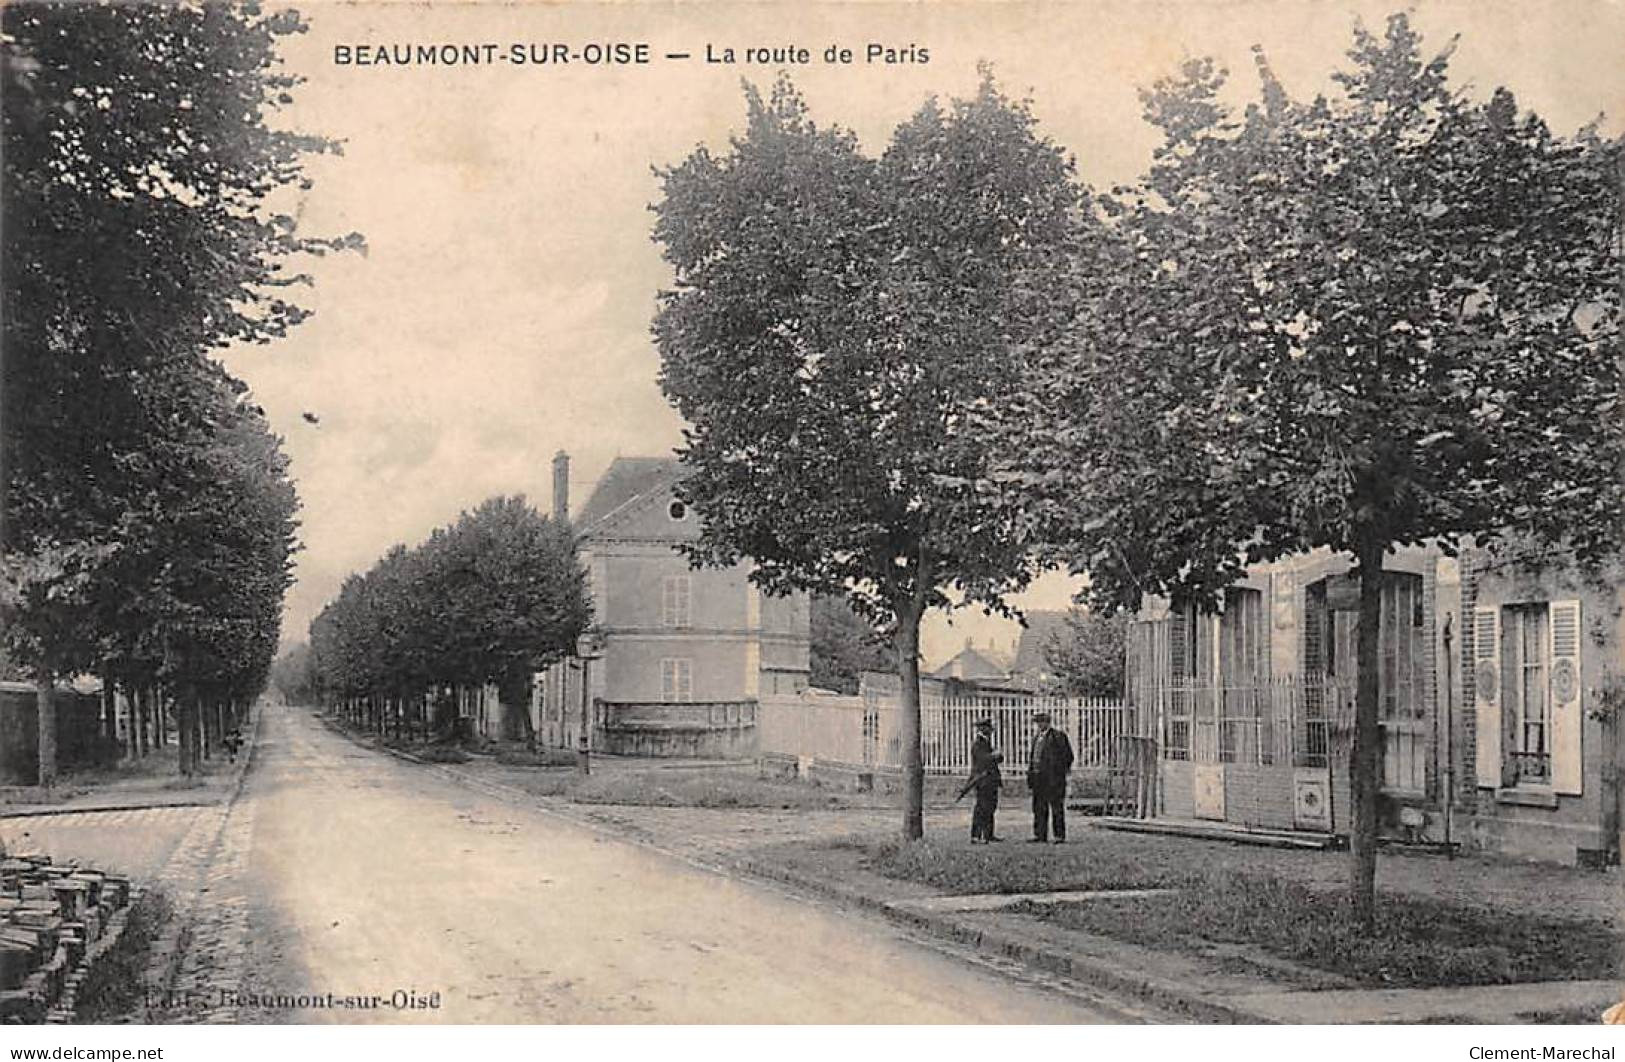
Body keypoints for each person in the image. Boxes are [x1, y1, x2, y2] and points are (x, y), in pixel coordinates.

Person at [1027, 711, 1074, 844]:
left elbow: (1068, 756)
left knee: (1056, 808)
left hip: (1053, 779)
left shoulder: (1058, 736)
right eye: (1038, 723)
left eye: (1042, 722)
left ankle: (1059, 835)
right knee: (1039, 808)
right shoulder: (1036, 738)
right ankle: (1040, 834)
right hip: (1038, 779)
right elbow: (1032, 759)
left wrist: (1058, 772)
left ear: (1047, 722)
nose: (1040, 725)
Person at [967, 718, 1004, 844]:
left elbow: (994, 759)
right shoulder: (978, 743)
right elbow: (983, 759)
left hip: (990, 780)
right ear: (982, 729)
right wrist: (994, 756)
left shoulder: (986, 742)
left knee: (990, 807)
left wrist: (997, 756)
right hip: (982, 780)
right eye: (988, 728)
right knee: (981, 808)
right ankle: (976, 836)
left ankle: (988, 834)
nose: (990, 730)